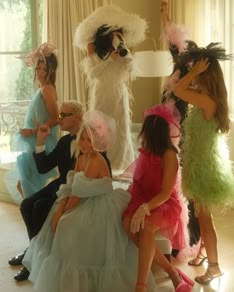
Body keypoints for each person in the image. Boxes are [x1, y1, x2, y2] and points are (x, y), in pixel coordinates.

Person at [22, 110, 157, 292]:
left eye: (89, 140)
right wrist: (61, 206)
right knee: (57, 218)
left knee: (67, 224)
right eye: (82, 139)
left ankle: (85, 279)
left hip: (100, 204)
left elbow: (78, 194)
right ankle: (67, 273)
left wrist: (62, 213)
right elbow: (71, 187)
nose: (85, 144)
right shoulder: (82, 158)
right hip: (83, 199)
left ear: (96, 142)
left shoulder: (95, 160)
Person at [173, 43, 234, 284]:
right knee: (202, 217)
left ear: (206, 76)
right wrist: (195, 73)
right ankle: (202, 253)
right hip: (202, 162)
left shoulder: (207, 102)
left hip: (204, 168)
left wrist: (192, 72)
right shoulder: (208, 99)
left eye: (200, 74)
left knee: (205, 220)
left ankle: (216, 267)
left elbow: (179, 90)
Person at [122, 104, 194, 292]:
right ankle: (171, 272)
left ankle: (141, 286)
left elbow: (165, 193)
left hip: (165, 203)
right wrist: (137, 205)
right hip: (144, 198)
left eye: (145, 131)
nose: (142, 135)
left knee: (145, 227)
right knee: (127, 224)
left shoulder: (169, 155)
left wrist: (145, 208)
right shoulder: (146, 151)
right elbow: (139, 182)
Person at [8, 101, 83, 281]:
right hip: (61, 183)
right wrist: (40, 141)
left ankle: (33, 258)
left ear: (77, 117)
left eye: (63, 115)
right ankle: (32, 251)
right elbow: (43, 167)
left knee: (40, 207)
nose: (59, 119)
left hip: (75, 189)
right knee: (26, 204)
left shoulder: (89, 139)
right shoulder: (65, 141)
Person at [74, 5, 147, 170]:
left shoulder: (121, 50)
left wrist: (126, 54)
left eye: (118, 32)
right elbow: (93, 75)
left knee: (120, 129)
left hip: (119, 95)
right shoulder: (93, 50)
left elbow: (132, 71)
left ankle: (120, 164)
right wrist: (109, 59)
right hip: (101, 94)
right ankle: (102, 165)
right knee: (101, 130)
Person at [160, 0, 201, 257]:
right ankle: (172, 236)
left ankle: (185, 237)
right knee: (168, 183)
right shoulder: (178, 68)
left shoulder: (190, 82)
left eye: (185, 54)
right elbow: (171, 40)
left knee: (181, 186)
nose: (179, 54)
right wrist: (165, 14)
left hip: (179, 136)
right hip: (168, 132)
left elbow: (183, 113)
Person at [5, 43, 59, 202]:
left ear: (51, 71)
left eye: (44, 69)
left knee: (28, 185)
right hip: (33, 141)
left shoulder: (47, 89)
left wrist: (32, 132)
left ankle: (36, 216)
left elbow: (56, 119)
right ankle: (35, 217)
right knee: (24, 185)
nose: (41, 72)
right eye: (38, 68)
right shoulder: (42, 88)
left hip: (40, 142)